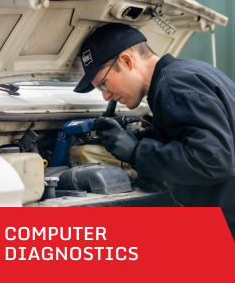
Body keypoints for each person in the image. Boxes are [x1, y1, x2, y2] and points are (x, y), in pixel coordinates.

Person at [74, 23, 235, 239]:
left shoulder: (174, 87)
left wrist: (136, 151)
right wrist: (147, 137)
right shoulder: (190, 72)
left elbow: (212, 161)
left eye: (103, 84)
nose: (105, 96)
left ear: (127, 61)